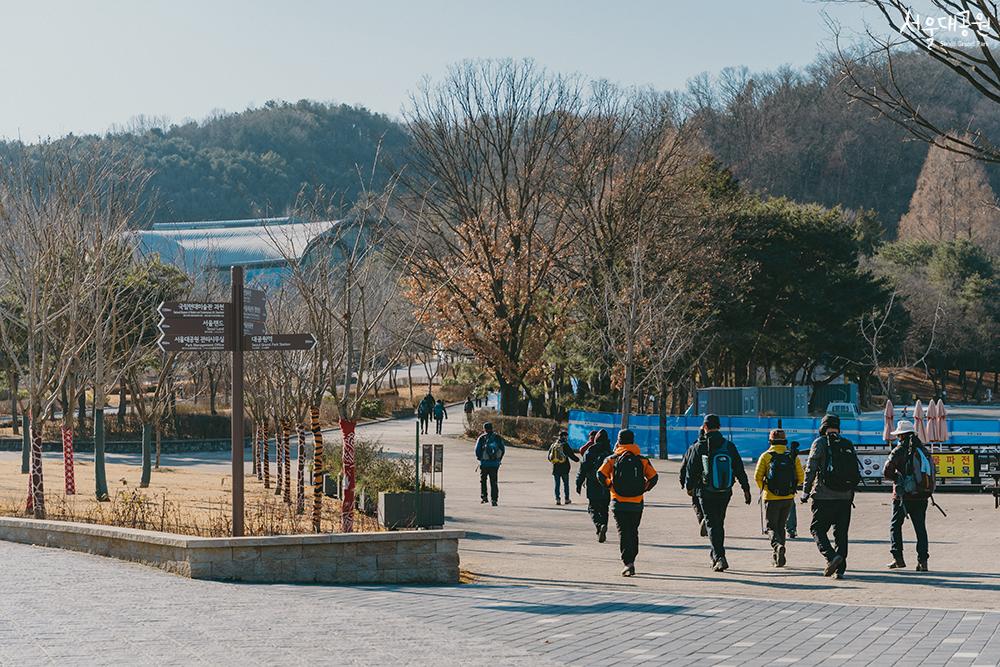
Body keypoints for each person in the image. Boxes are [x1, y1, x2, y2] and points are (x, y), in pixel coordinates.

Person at [683, 414, 751, 572]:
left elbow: (691, 470)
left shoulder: (698, 446)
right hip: (725, 491)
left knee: (712, 524)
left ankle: (719, 557)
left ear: (704, 427)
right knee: (718, 523)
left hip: (705, 491)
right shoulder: (728, 446)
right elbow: (739, 468)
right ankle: (716, 555)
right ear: (719, 427)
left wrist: (689, 488)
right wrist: (746, 489)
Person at [801, 414, 860, 580]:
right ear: (838, 427)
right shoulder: (847, 443)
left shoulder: (819, 443)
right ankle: (840, 569)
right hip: (846, 497)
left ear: (823, 427)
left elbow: (811, 468)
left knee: (817, 529)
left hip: (824, 495)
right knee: (841, 533)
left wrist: (805, 492)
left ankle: (831, 556)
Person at [598, 429, 658, 576]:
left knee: (623, 532)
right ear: (633, 441)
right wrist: (643, 489)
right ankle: (632, 558)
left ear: (619, 441)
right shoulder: (642, 460)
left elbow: (600, 474)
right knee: (633, 530)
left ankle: (628, 563)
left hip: (618, 502)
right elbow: (654, 477)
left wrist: (610, 485)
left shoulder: (612, 459)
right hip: (637, 503)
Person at [882, 420, 934, 571]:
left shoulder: (899, 450)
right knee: (920, 528)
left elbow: (886, 471)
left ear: (901, 436)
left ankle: (898, 558)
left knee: (895, 526)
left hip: (902, 497)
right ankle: (923, 561)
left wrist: (898, 478)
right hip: (922, 495)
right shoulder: (923, 450)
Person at [754, 429, 804, 568]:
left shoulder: (766, 456)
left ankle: (777, 546)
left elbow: (757, 477)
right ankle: (778, 557)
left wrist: (766, 489)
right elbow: (801, 478)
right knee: (781, 526)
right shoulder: (792, 456)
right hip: (788, 498)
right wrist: (791, 488)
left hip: (771, 497)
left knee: (771, 527)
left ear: (770, 441)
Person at [576, 429, 612, 542]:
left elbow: (583, 468)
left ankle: (599, 526)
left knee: (592, 508)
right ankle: (603, 526)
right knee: (604, 508)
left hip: (593, 483)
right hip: (607, 484)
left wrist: (578, 482)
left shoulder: (590, 451)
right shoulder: (610, 452)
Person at [679, 437, 707, 537]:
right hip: (712, 482)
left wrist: (683, 482)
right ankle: (710, 522)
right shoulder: (716, 446)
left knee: (696, 503)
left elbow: (684, 467)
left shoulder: (692, 448)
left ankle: (702, 519)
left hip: (695, 483)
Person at [474, 422, 505, 505]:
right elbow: (502, 449)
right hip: (494, 464)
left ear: (484, 429)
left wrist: (480, 458)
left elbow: (477, 450)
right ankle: (494, 499)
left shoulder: (482, 438)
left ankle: (484, 497)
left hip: (484, 463)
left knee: (483, 481)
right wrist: (498, 460)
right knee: (494, 481)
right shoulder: (497, 438)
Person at [548, 430, 579, 505]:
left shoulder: (553, 445)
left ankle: (558, 499)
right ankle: (567, 499)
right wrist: (577, 460)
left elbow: (549, 457)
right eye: (566, 436)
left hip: (556, 468)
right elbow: (571, 455)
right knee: (566, 484)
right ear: (564, 436)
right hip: (564, 468)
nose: (567, 438)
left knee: (557, 485)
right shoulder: (565, 445)